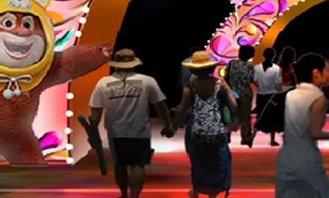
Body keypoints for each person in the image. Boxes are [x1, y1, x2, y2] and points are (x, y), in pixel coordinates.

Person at [88, 49, 174, 198]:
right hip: (140, 131)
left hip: (115, 132)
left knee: (120, 165)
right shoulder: (148, 81)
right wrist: (168, 125)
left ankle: (123, 195)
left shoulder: (103, 83)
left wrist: (92, 132)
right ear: (134, 63)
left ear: (116, 64)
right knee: (138, 164)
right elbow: (160, 106)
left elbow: (95, 114)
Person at [275, 52, 329, 197]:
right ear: (316, 73)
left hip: (286, 156)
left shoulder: (290, 94)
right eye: (327, 70)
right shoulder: (318, 97)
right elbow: (315, 133)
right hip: (307, 158)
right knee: (323, 193)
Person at [174, 51, 237, 198]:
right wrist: (232, 118)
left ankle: (196, 191)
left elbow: (183, 109)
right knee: (217, 163)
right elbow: (233, 105)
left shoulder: (190, 86)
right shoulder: (221, 83)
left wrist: (174, 126)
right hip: (217, 131)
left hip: (197, 131)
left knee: (198, 163)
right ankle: (213, 195)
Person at [225, 45, 257, 147]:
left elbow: (226, 77)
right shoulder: (249, 66)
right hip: (245, 94)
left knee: (232, 114)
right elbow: (251, 79)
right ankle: (245, 138)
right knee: (245, 117)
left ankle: (228, 133)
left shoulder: (231, 63)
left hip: (233, 93)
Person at [254, 47, 284, 146]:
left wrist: (261, 86)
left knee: (260, 116)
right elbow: (278, 85)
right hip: (271, 96)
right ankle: (272, 140)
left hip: (260, 95)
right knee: (272, 118)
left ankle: (252, 137)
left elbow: (255, 81)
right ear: (274, 56)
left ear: (263, 55)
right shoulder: (277, 69)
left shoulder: (256, 68)